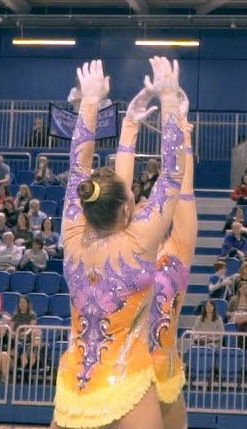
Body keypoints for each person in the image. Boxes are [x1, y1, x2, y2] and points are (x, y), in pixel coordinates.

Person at [52, 58, 186, 429]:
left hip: (74, 385)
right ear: (127, 210)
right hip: (126, 381)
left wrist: (91, 102)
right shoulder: (138, 240)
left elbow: (78, 167)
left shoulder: (73, 235)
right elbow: (173, 171)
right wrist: (170, 98)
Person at [114, 77, 197, 429]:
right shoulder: (124, 245)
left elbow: (183, 187)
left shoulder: (178, 249)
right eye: (140, 204)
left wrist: (180, 126)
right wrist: (129, 126)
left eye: (154, 203)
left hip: (163, 371)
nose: (148, 205)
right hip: (119, 373)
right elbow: (118, 192)